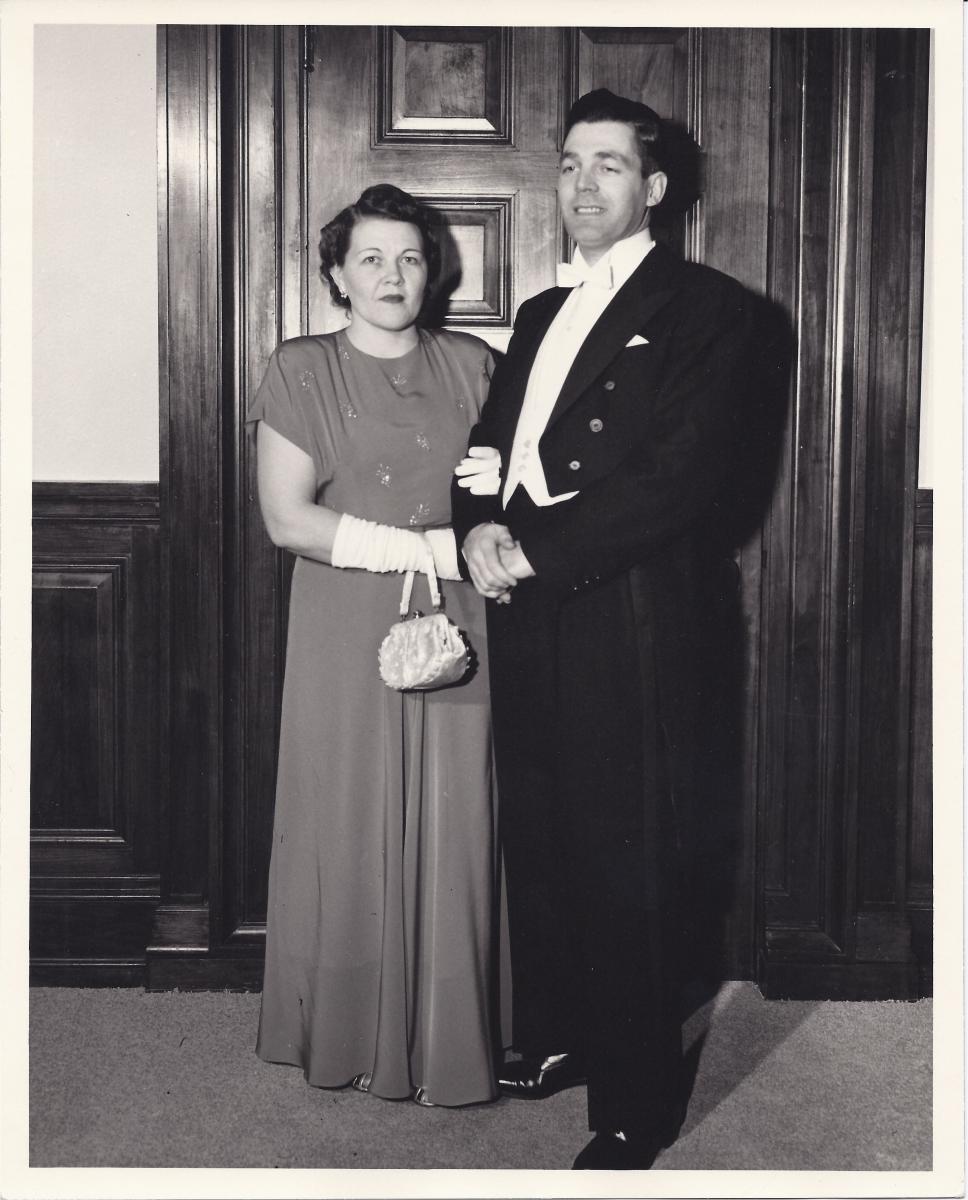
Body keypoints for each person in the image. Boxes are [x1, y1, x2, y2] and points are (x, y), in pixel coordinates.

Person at [451, 89, 755, 1168]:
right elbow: (488, 447)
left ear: (655, 189)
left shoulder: (713, 311)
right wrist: (477, 529)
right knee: (537, 830)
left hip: (626, 606)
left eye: (610, 167)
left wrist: (534, 548)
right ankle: (559, 1035)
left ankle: (633, 1099)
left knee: (624, 851)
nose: (583, 185)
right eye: (571, 165)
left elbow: (679, 480)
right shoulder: (536, 312)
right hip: (528, 603)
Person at [248, 183, 502, 1108]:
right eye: (370, 259)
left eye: (409, 258)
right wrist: (423, 550)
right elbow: (286, 520)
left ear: (431, 271)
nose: (393, 276)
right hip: (346, 619)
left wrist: (473, 552)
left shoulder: (476, 363)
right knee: (346, 814)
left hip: (463, 618)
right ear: (336, 277)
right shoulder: (301, 368)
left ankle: (452, 1044)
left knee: (459, 818)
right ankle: (348, 1036)